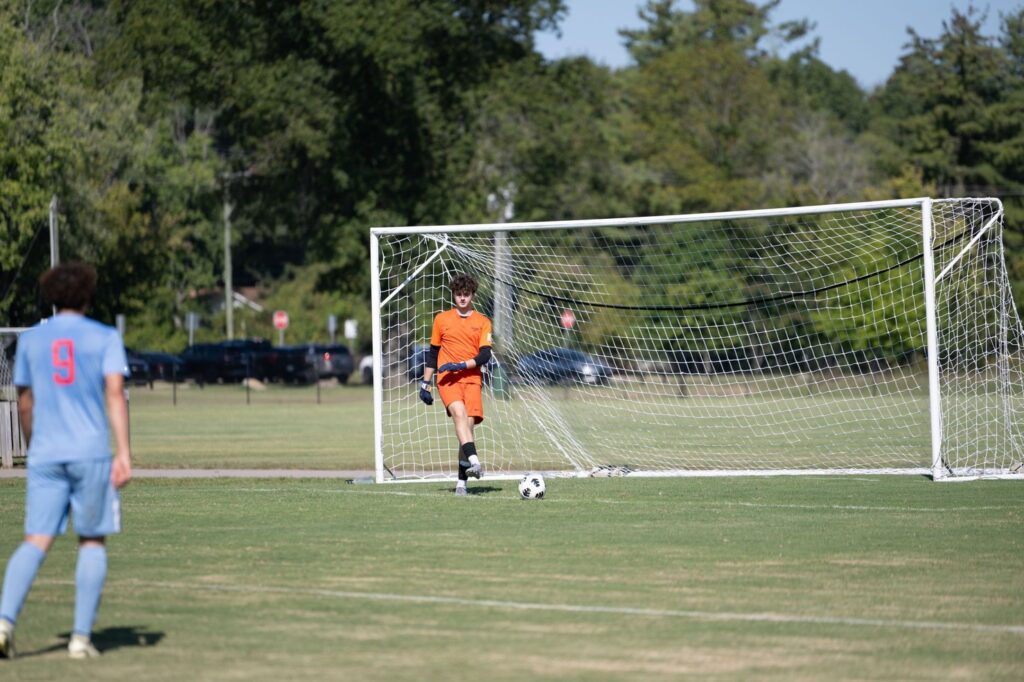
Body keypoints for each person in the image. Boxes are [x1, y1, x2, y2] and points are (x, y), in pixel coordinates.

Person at [0, 263, 132, 661]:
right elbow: (114, 393)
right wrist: (124, 452)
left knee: (36, 539)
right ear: (87, 296)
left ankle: (4, 623)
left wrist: (33, 444)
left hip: (45, 452)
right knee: (91, 539)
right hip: (89, 451)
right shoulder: (104, 337)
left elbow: (25, 401)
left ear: (51, 297)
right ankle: (79, 639)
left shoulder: (33, 341)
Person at [419, 274, 493, 496]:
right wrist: (425, 384)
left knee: (467, 431)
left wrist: (460, 364)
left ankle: (462, 482)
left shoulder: (482, 321)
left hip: (472, 379)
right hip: (447, 379)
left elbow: (484, 356)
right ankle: (475, 461)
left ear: (472, 295)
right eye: (459, 294)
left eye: (466, 294)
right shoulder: (441, 319)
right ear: (453, 295)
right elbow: (433, 355)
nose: (462, 298)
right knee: (460, 416)